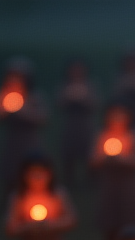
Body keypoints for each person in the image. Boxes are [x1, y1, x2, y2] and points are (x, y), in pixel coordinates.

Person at [90, 104, 135, 240]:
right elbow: (93, 160)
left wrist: (123, 160)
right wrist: (106, 159)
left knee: (129, 217)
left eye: (121, 116)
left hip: (128, 185)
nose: (117, 120)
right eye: (113, 116)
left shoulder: (134, 136)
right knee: (110, 218)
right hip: (109, 184)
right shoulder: (102, 136)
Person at [0, 58, 48, 193]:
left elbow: (43, 118)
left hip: (29, 140)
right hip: (12, 140)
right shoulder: (2, 95)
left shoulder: (35, 97)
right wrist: (6, 111)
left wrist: (23, 112)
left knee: (30, 169)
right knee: (11, 171)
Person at [58, 58, 99, 192]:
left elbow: (95, 104)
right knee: (69, 153)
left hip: (85, 124)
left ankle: (91, 182)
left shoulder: (90, 86)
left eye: (79, 69)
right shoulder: (65, 86)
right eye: (73, 69)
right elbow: (59, 104)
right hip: (71, 124)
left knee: (88, 152)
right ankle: (69, 182)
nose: (76, 72)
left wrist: (84, 101)